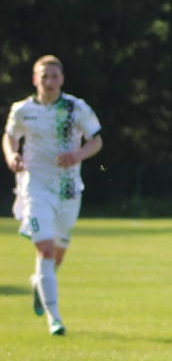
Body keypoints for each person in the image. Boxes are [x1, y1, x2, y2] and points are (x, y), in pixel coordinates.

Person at [4, 54, 103, 336]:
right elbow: (10, 136)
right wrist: (12, 156)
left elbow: (96, 140)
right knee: (45, 249)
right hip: (35, 187)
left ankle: (40, 283)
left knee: (57, 255)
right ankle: (54, 318)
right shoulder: (22, 110)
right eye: (44, 76)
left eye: (54, 76)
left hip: (68, 189)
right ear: (35, 79)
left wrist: (77, 155)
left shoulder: (76, 107)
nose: (49, 81)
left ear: (62, 79)